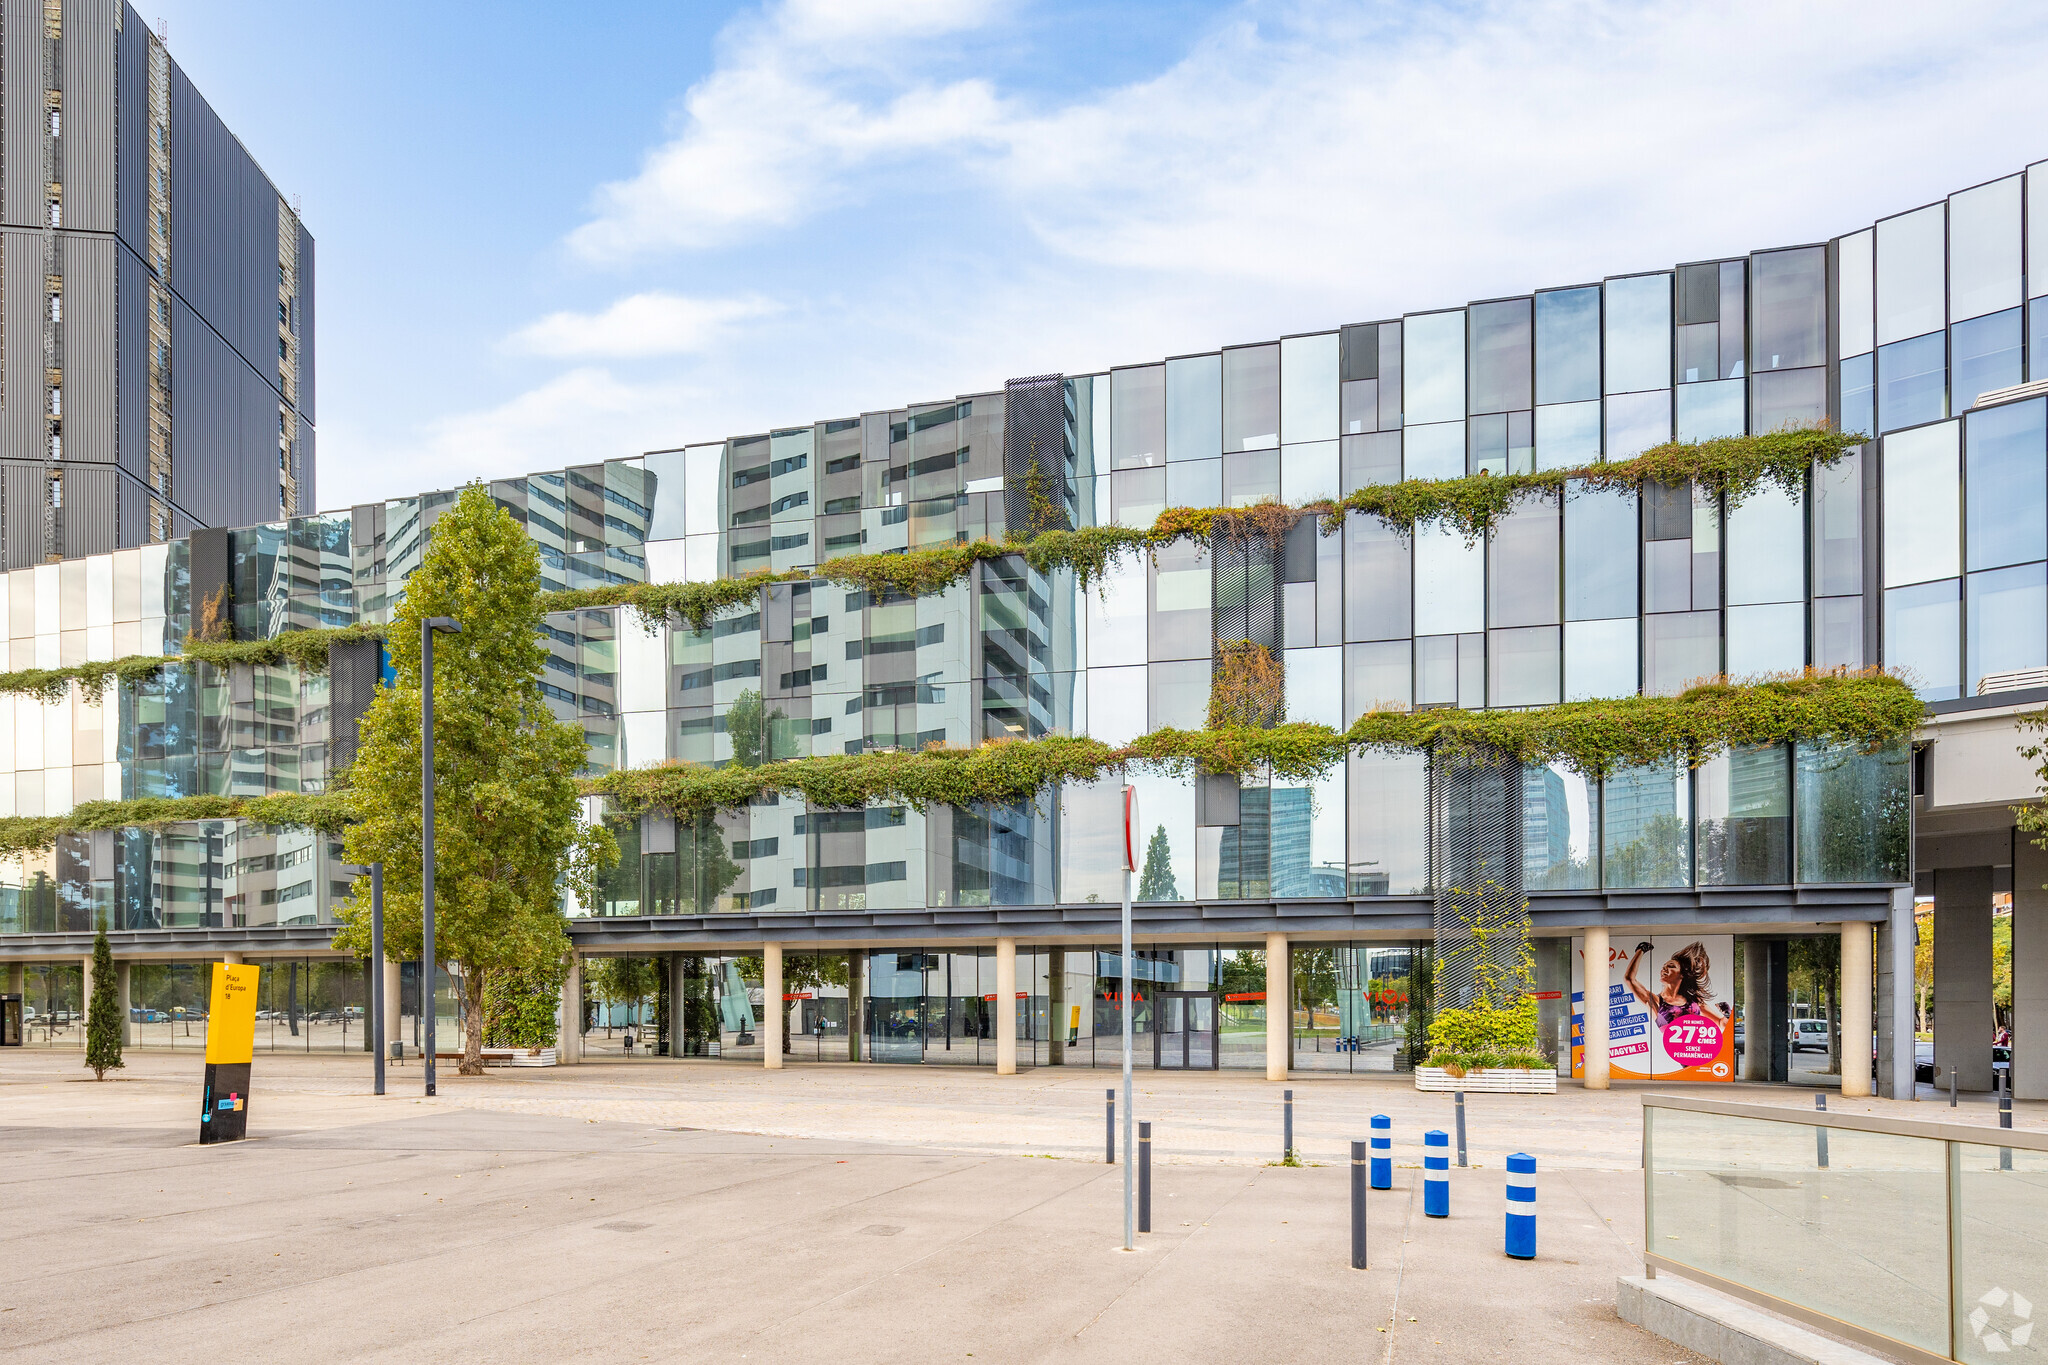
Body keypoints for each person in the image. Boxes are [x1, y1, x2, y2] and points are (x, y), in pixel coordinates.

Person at [1624, 940, 1730, 1028]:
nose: (1664, 968)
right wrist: (1640, 951)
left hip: (1694, 1051)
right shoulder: (1655, 1001)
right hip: (1669, 1052)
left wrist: (1727, 1014)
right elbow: (1629, 979)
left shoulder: (1695, 1001)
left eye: (1671, 966)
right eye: (1664, 966)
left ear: (1682, 975)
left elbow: (1721, 1024)